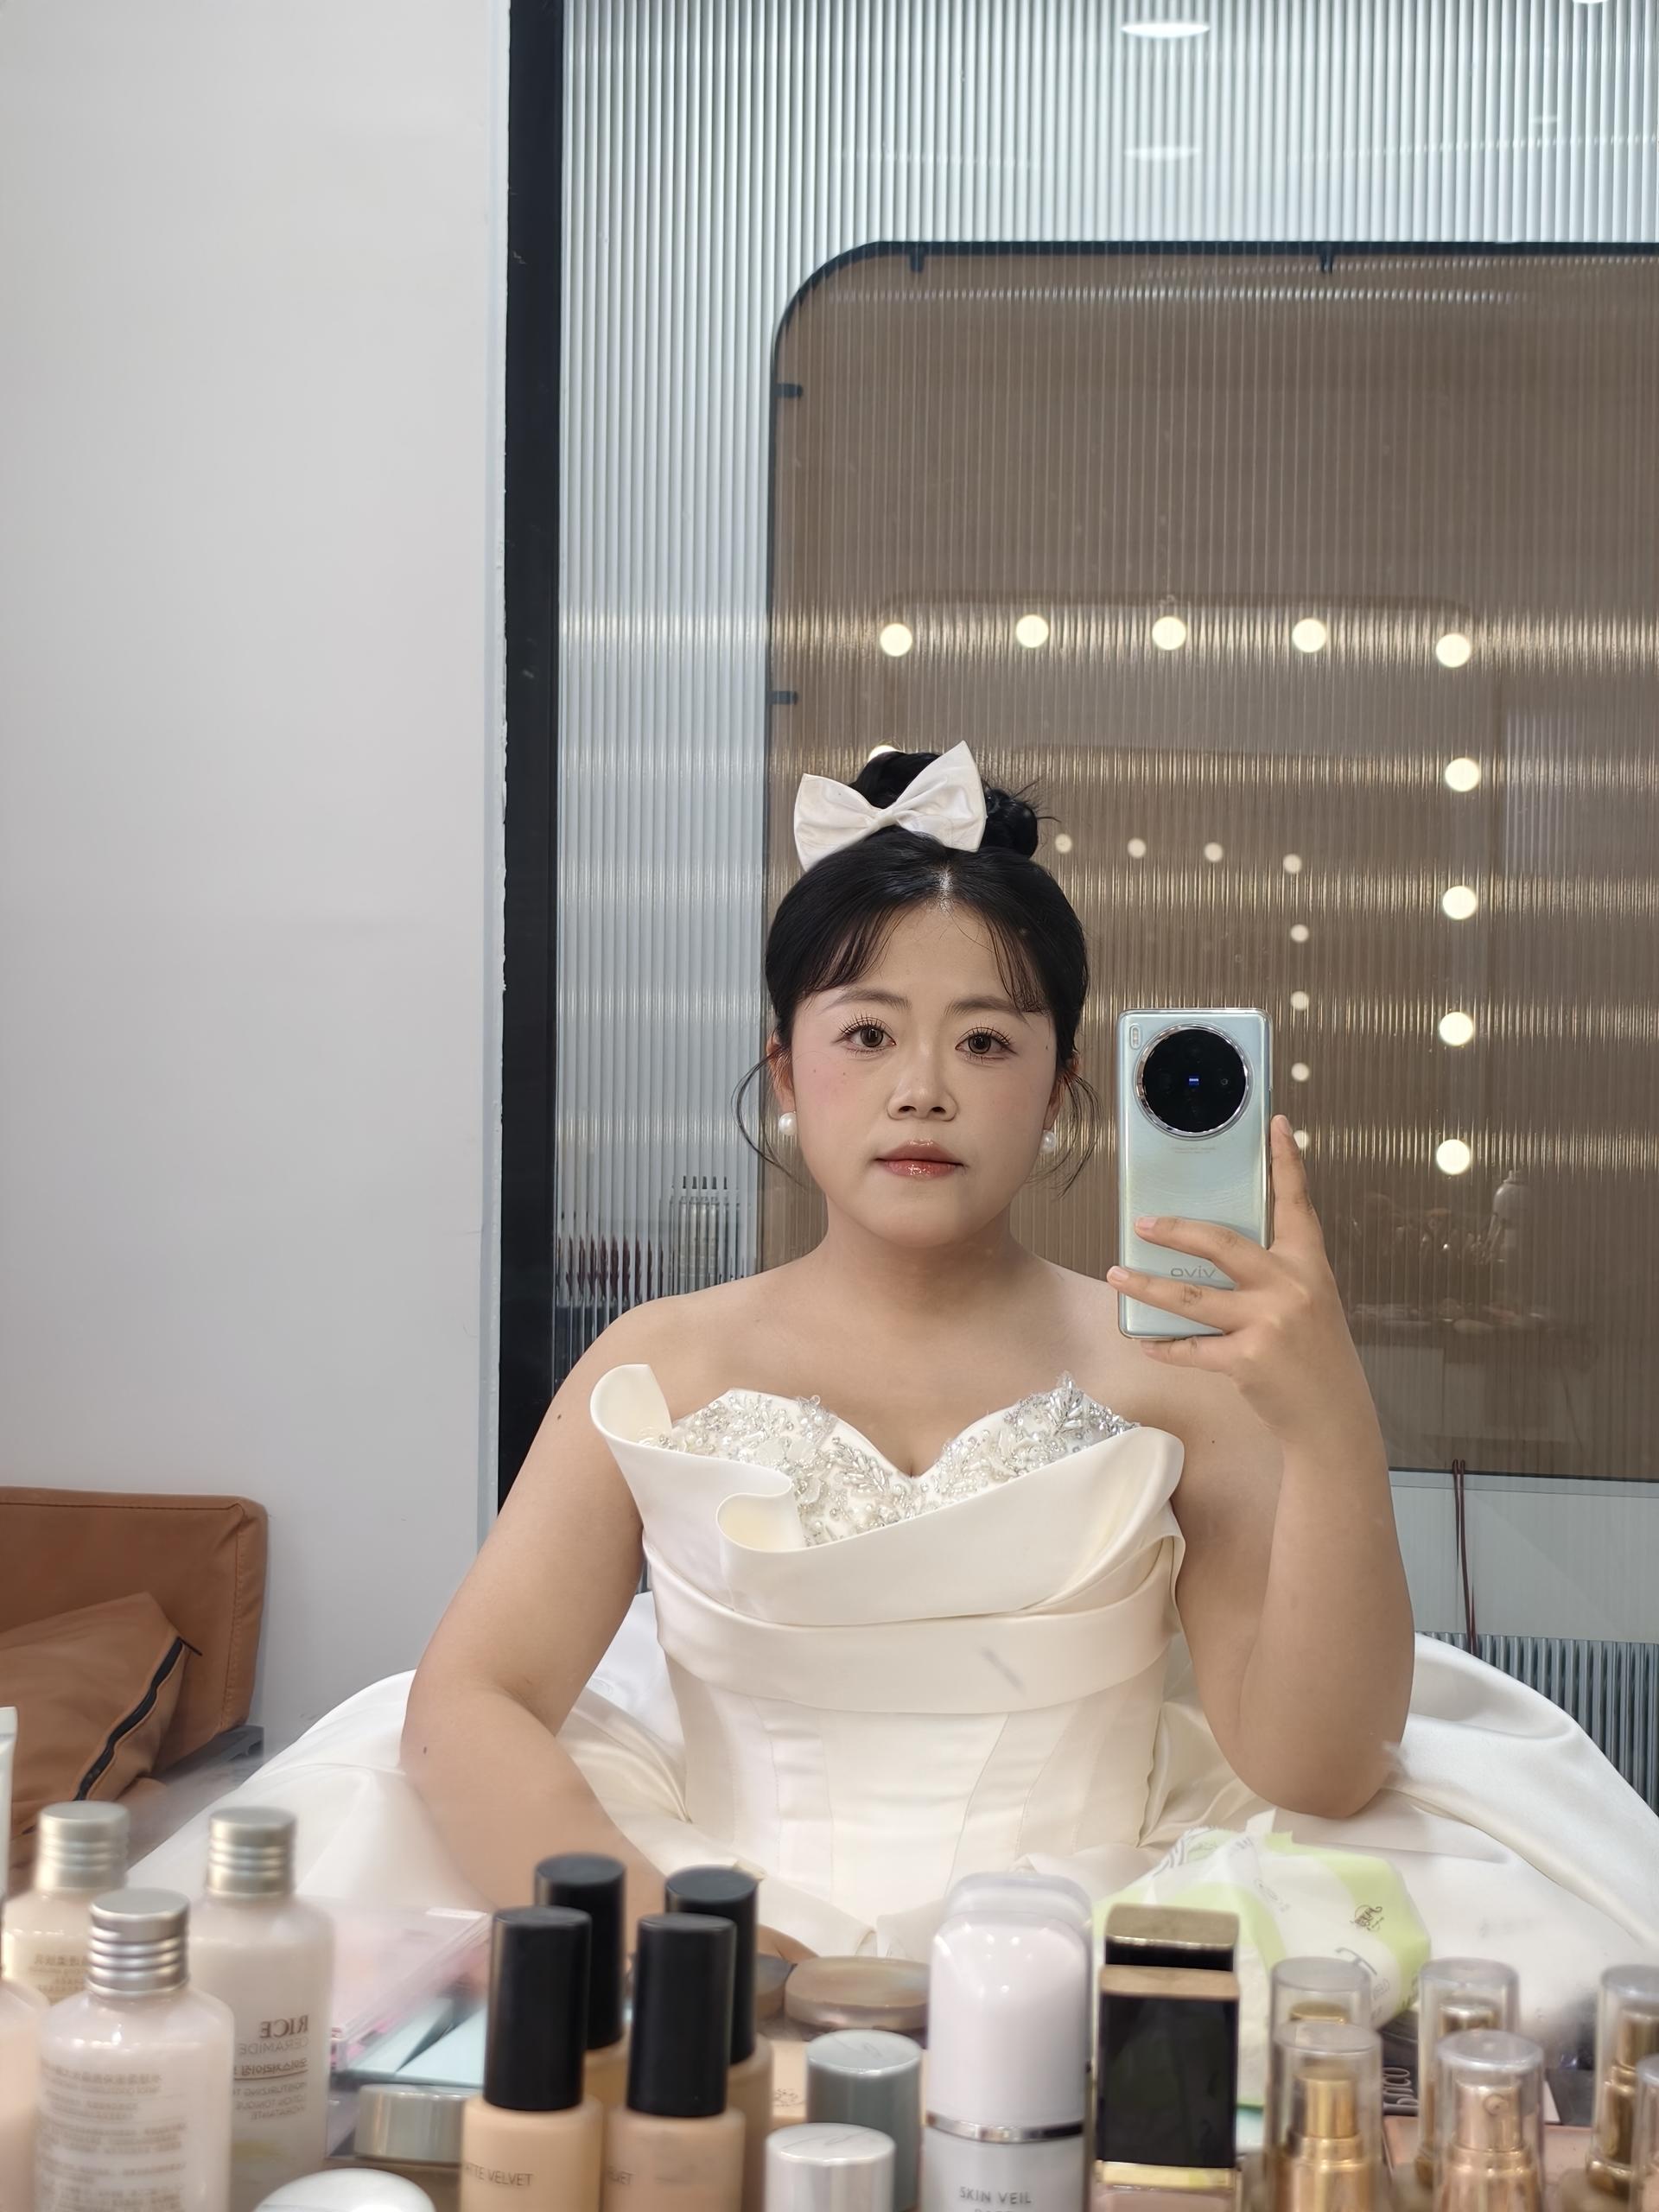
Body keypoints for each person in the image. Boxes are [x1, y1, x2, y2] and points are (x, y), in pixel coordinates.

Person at [137, 747, 1659, 2036]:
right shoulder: (660, 1360)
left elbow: (1318, 1764)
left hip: (1085, 1956)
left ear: (1060, 1091)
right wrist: (686, 1947)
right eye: (867, 1034)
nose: (922, 1087)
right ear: (786, 1072)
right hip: (702, 1931)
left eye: (984, 1041)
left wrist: (1329, 1415)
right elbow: (472, 1700)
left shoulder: (1177, 1378)